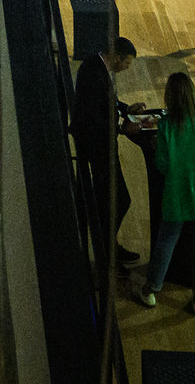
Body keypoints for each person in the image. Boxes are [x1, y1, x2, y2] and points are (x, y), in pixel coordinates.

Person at [134, 71, 195, 316]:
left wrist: (156, 147)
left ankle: (151, 290)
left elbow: (162, 165)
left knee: (167, 239)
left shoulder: (166, 126)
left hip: (177, 194)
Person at [71, 36, 142, 269]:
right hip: (98, 148)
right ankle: (107, 251)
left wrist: (125, 109)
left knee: (113, 201)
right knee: (118, 200)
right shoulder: (95, 74)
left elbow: (107, 102)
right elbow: (93, 118)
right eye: (127, 63)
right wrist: (122, 128)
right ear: (117, 58)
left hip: (100, 147)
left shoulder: (95, 67)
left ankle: (109, 247)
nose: (127, 68)